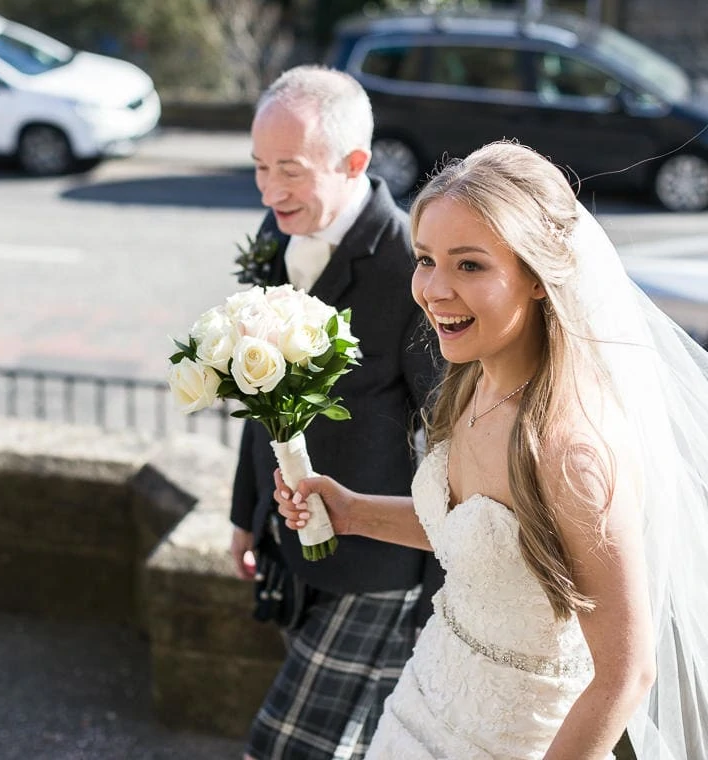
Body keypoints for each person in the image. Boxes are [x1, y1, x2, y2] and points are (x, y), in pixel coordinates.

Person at [276, 141, 708, 759]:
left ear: (539, 279)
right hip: (420, 707)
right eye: (425, 258)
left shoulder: (570, 451)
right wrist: (353, 510)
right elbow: (479, 537)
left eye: (470, 265)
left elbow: (627, 673)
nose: (434, 289)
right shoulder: (470, 385)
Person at [229, 65, 443, 760]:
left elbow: (451, 438)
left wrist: (440, 603)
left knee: (285, 748)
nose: (268, 190)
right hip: (290, 549)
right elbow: (254, 387)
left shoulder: (415, 266)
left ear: (354, 163)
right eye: (259, 167)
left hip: (379, 567)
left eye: (288, 170)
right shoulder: (272, 233)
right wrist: (246, 513)